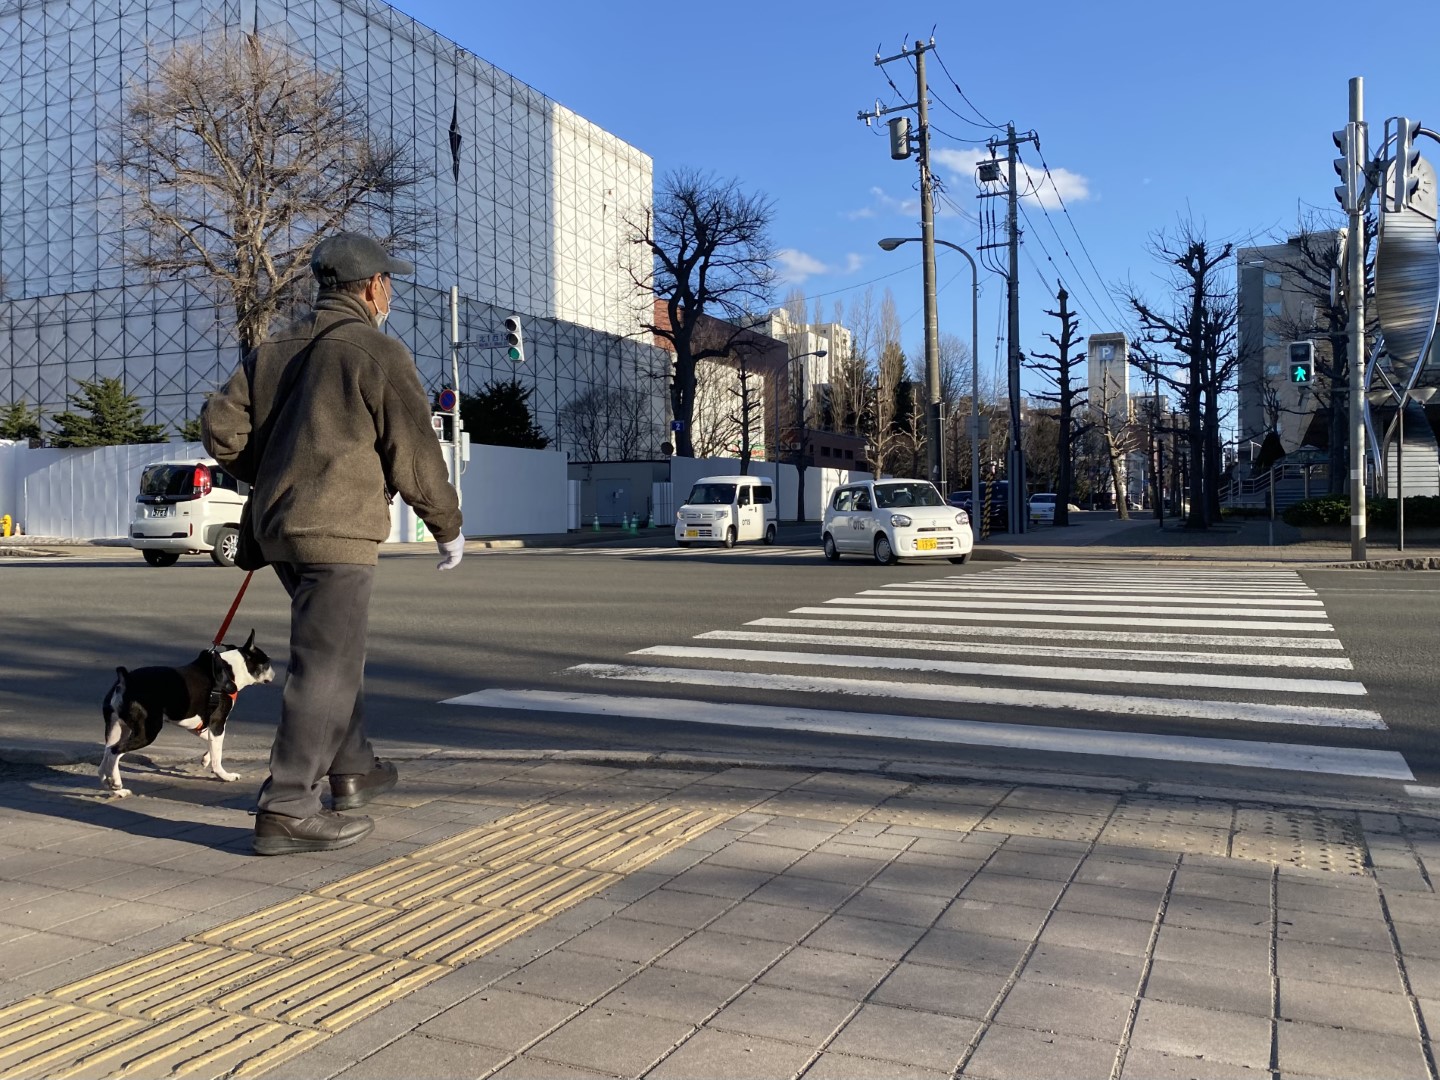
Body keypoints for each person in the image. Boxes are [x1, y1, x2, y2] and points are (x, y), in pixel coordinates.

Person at [203, 231, 464, 856]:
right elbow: (415, 451)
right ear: (373, 287)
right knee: (325, 663)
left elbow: (220, 428)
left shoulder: (273, 350)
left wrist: (272, 474)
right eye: (389, 282)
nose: (391, 292)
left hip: (279, 529)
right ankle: (288, 805)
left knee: (334, 651)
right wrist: (446, 525)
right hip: (337, 531)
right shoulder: (375, 351)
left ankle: (354, 767)